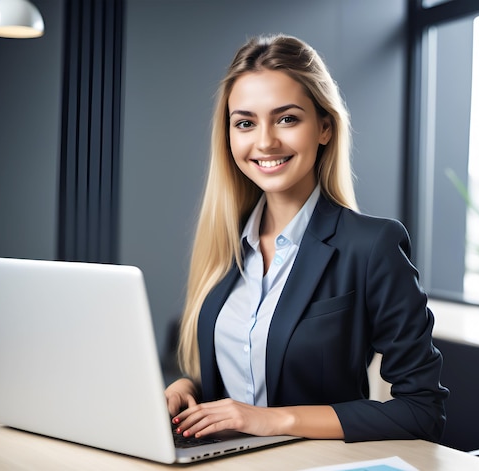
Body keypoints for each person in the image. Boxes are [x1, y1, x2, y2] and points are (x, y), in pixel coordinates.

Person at [164, 33, 448, 443]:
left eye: (287, 119)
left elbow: (423, 411)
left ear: (325, 128)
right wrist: (188, 388)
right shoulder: (227, 244)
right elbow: (247, 370)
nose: (265, 142)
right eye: (245, 123)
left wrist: (277, 420)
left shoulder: (372, 247)